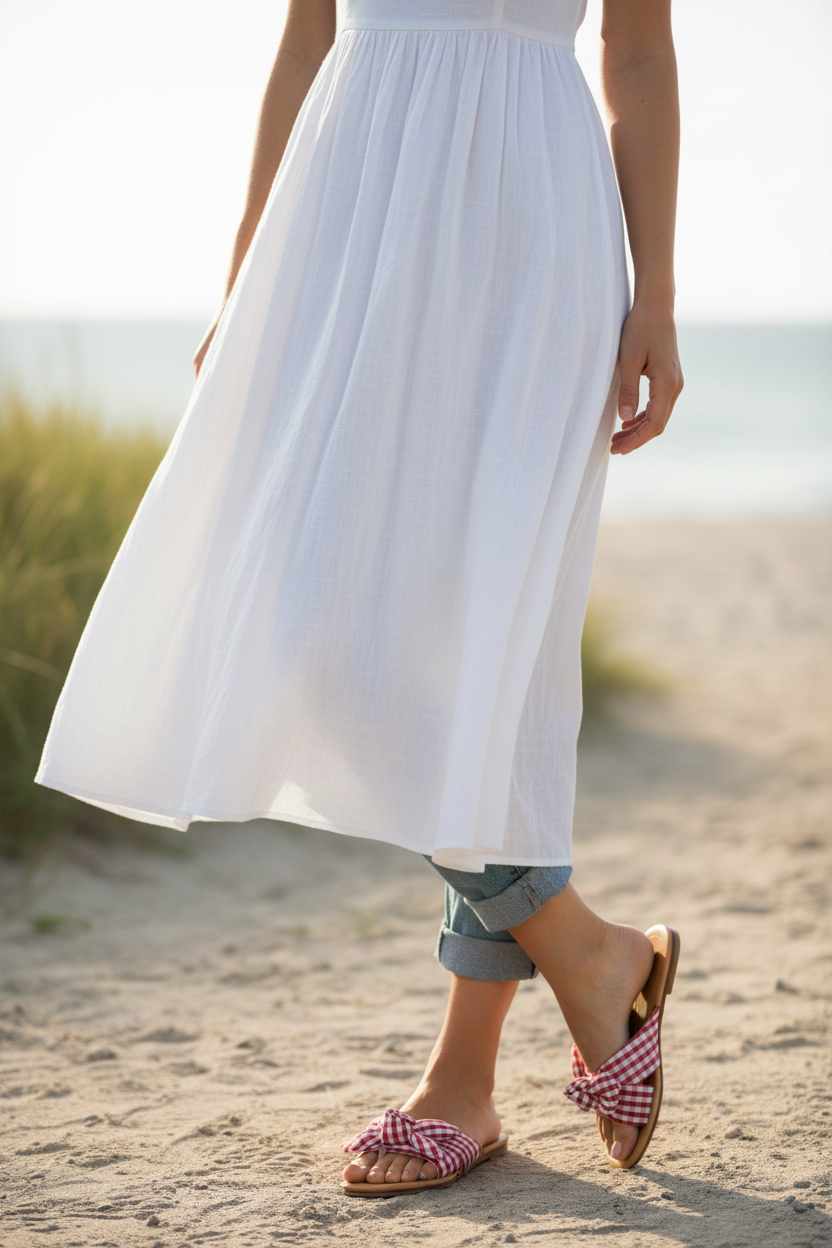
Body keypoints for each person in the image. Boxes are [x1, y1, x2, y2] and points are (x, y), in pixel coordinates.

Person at [36, 0, 684, 1192]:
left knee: (489, 647)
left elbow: (635, 48)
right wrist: (244, 278)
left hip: (530, 225)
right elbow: (304, 36)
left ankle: (463, 1082)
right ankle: (586, 951)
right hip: (342, 220)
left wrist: (656, 296)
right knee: (304, 623)